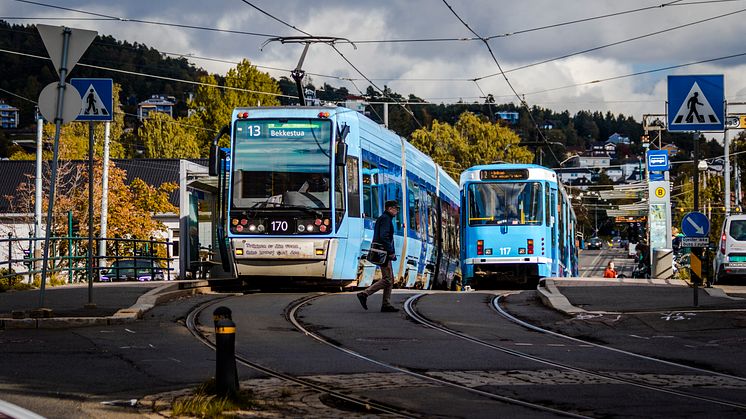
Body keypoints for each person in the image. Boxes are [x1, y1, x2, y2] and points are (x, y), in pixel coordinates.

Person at [357, 200, 400, 312]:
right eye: (396, 208)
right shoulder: (386, 219)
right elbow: (384, 236)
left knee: (390, 279)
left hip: (384, 253)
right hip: (384, 253)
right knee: (387, 279)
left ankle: (386, 304)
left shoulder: (385, 218)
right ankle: (365, 294)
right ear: (390, 208)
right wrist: (390, 251)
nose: (397, 211)